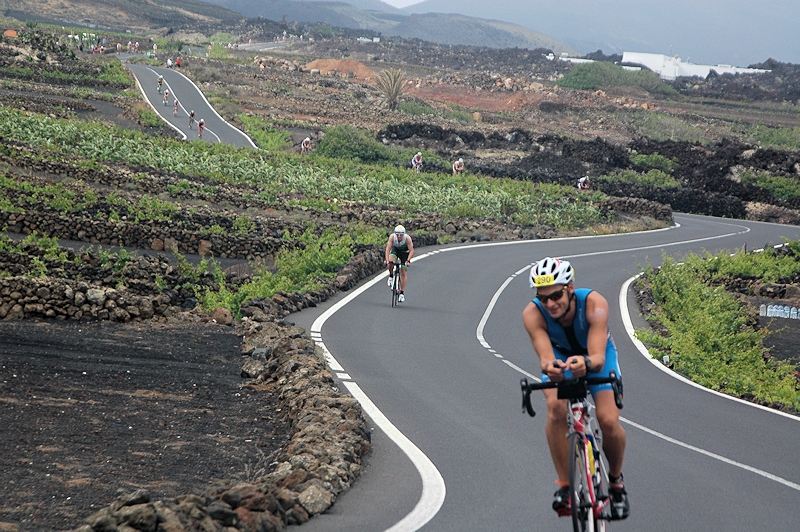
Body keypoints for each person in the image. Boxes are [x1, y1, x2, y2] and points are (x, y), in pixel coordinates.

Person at [522, 257, 630, 521]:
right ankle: (565, 486)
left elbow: (598, 357)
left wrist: (587, 363)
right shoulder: (532, 314)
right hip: (562, 358)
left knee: (608, 420)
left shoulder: (594, 303)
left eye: (556, 295)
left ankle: (616, 483)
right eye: (543, 298)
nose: (550, 304)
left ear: (570, 288)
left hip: (596, 356)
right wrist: (551, 368)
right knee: (555, 407)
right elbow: (545, 358)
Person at [384, 225, 414, 303]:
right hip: (396, 250)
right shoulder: (392, 237)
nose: (399, 236)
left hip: (405, 253)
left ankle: (402, 293)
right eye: (397, 234)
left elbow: (411, 251)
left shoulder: (407, 239)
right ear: (395, 234)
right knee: (390, 262)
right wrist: (387, 260)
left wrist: (408, 261)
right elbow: (388, 248)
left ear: (404, 234)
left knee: (403, 272)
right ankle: (391, 276)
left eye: (401, 234)